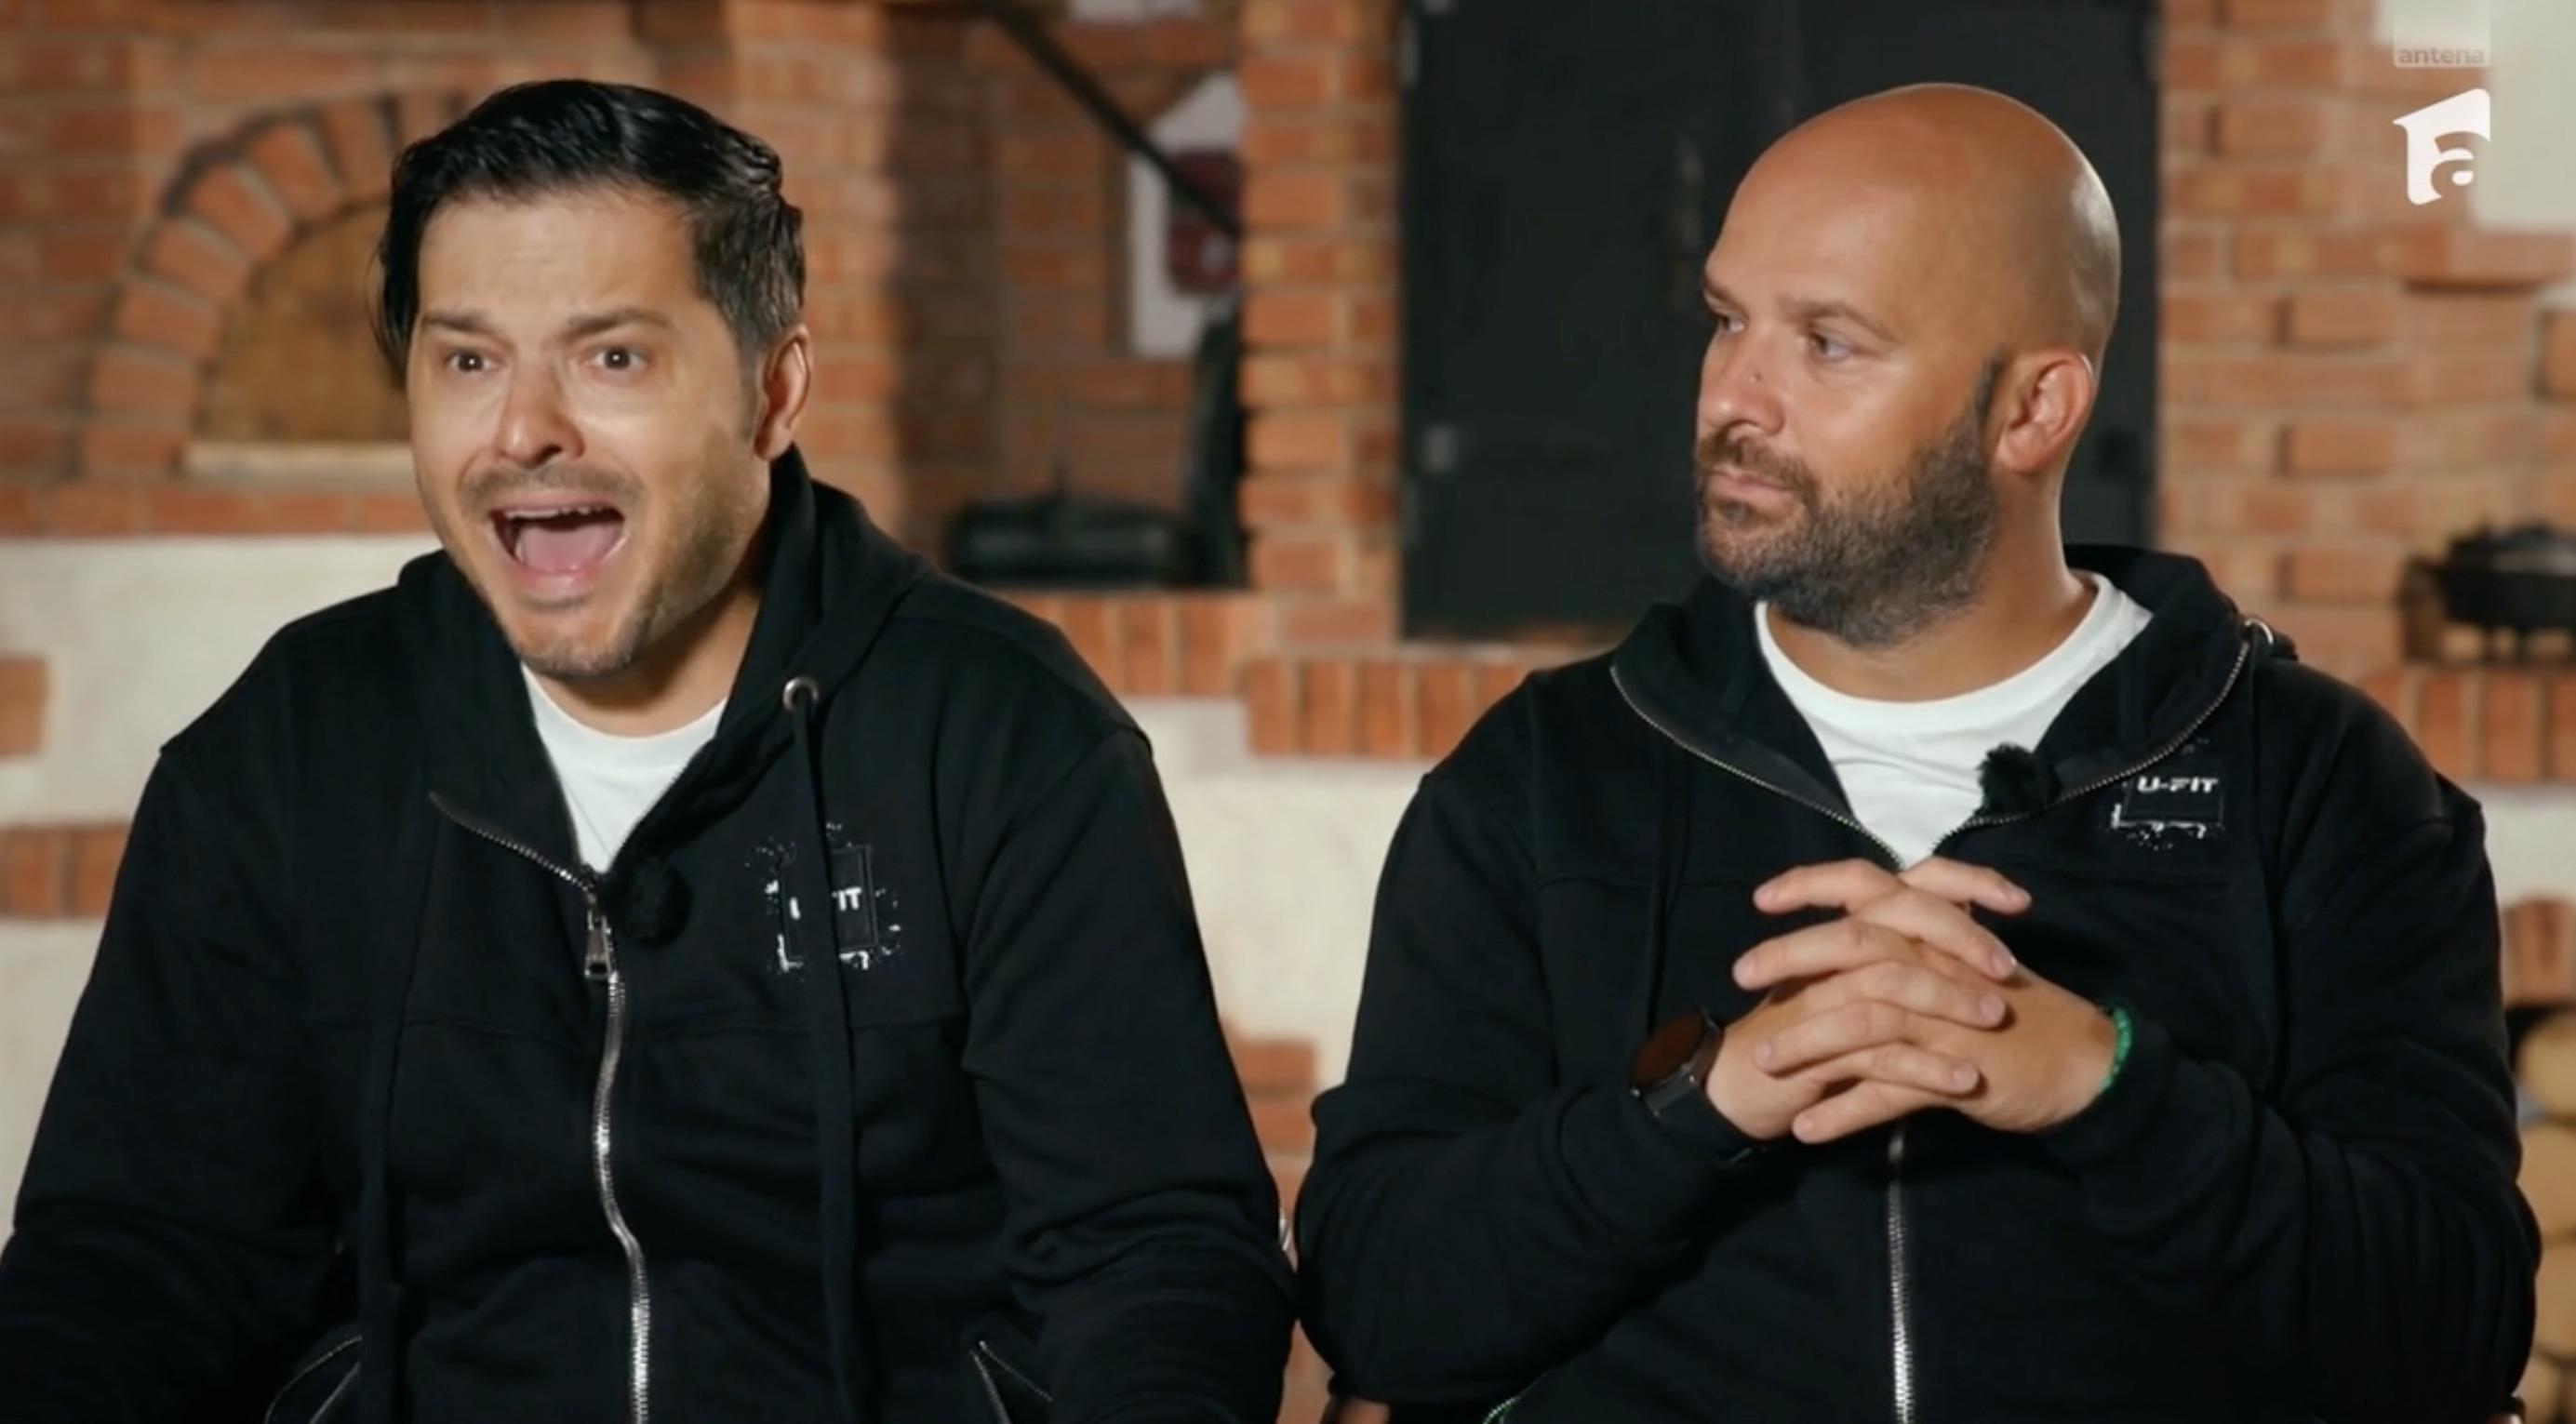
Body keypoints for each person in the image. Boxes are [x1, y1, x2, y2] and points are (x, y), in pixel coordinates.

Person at [0, 79, 1292, 1424]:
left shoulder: (998, 735)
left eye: (610, 358)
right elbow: (135, 1263)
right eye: (467, 361)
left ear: (773, 392)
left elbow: (1154, 1261)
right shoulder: (293, 743)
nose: (523, 431)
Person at [1296, 83, 2536, 1423]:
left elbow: (2449, 1338)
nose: (1734, 397)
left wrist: (2101, 1086)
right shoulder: (1548, 777)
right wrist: (1711, 1102)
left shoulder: (2314, 780)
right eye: (1726, 319)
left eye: (1828, 343)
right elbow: (1378, 1313)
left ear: (2033, 410)